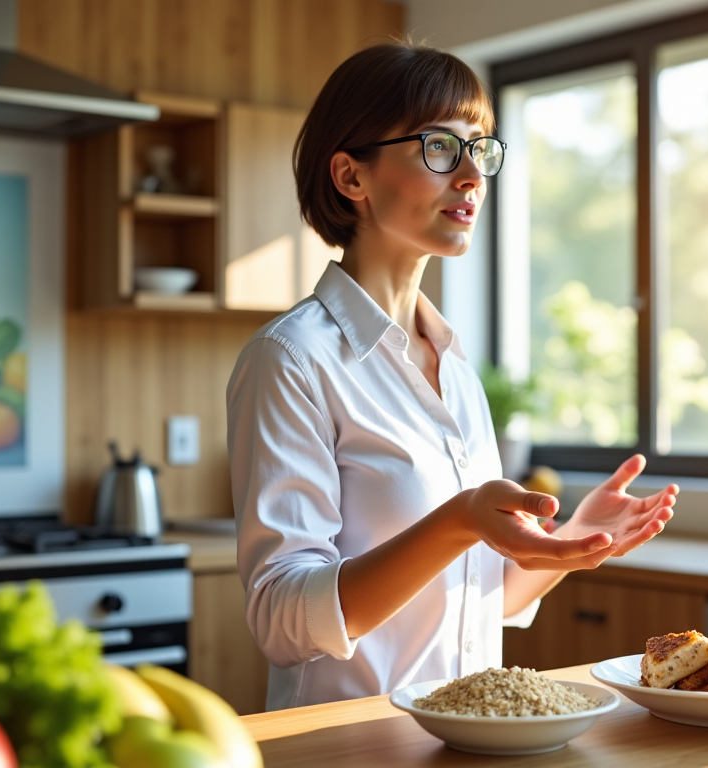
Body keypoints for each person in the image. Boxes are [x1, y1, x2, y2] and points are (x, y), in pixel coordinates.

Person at [226, 40, 679, 711]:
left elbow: (475, 605)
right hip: (348, 753)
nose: (471, 175)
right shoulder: (291, 359)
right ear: (352, 177)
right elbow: (283, 621)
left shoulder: (455, 366)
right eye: (440, 147)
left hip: (461, 742)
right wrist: (460, 521)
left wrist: (572, 542)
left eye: (481, 148)